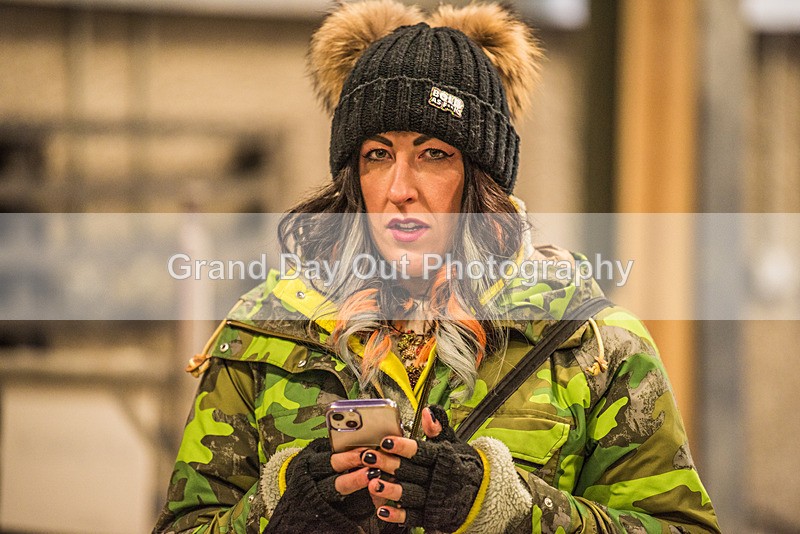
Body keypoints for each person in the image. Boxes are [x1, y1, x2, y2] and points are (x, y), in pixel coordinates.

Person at [154, 1, 720, 532]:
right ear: (353, 177)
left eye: (434, 155)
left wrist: (508, 506)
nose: (400, 189)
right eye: (378, 155)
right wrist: (277, 505)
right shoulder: (262, 333)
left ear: (482, 180)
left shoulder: (593, 346)